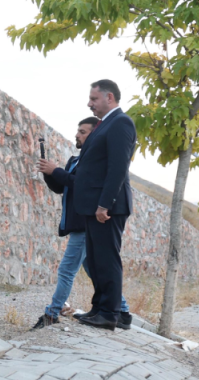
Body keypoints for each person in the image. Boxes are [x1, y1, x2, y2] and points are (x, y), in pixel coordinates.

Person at [33, 117, 132, 330]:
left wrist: (57, 171)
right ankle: (122, 311)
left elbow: (85, 185)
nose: (77, 135)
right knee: (93, 270)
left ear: (95, 134)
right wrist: (50, 174)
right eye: (78, 131)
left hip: (85, 224)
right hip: (78, 222)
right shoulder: (75, 160)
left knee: (67, 269)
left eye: (83, 131)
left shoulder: (95, 163)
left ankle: (51, 314)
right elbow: (65, 187)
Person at [72, 79, 136, 330]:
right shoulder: (104, 125)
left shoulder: (121, 122)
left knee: (107, 260)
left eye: (94, 99)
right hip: (94, 206)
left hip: (108, 207)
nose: (89, 103)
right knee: (97, 260)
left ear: (109, 98)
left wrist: (104, 205)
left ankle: (111, 313)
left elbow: (118, 167)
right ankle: (99, 308)